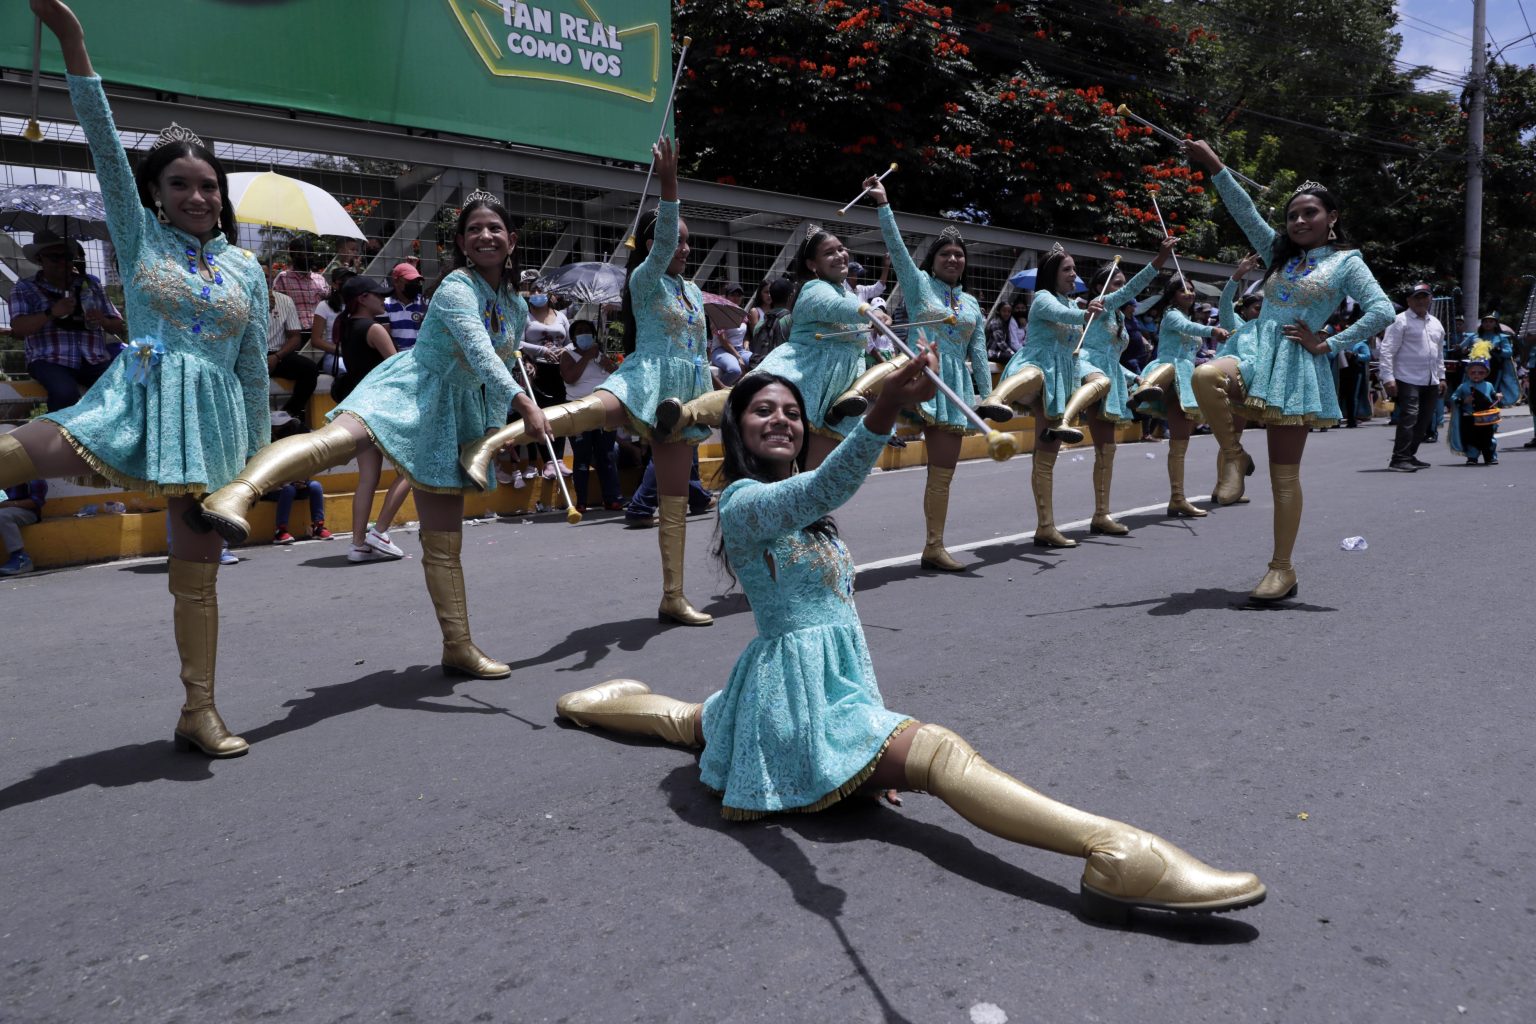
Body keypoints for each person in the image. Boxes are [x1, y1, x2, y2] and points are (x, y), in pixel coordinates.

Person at [552, 357, 1266, 922]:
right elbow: (821, 489)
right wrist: (886, 408)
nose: (781, 421)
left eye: (792, 413)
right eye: (763, 411)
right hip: (790, 698)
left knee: (697, 723)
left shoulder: (808, 516)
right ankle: (1115, 851)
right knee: (938, 752)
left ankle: (601, 702)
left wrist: (865, 734)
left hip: (808, 691)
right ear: (736, 431)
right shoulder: (745, 503)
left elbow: (843, 625)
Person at [2, 0, 270, 758]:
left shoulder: (245, 267)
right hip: (136, 395)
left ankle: (200, 712)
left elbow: (251, 366)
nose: (197, 196)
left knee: (199, 570)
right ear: (155, 193)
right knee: (23, 450)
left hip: (213, 420)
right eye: (181, 184)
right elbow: (102, 140)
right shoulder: (136, 229)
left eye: (209, 186)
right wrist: (72, 40)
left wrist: (250, 466)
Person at [195, 189, 550, 682]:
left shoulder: (511, 303)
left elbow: (503, 360)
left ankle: (459, 646)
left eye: (494, 228)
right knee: (335, 442)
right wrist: (525, 403)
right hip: (412, 388)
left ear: (511, 240)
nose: (485, 236)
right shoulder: (455, 289)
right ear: (462, 243)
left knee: (445, 544)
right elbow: (481, 352)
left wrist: (489, 433)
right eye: (473, 229)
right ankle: (238, 494)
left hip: (456, 417)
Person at [458, 138, 720, 626]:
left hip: (686, 391)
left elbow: (698, 345)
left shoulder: (693, 291)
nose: (682, 247)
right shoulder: (645, 278)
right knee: (579, 416)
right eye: (675, 239)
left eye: (688, 241)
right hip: (647, 376)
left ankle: (673, 595)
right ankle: (493, 443)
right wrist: (669, 182)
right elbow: (662, 243)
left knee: (675, 499)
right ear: (651, 244)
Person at [1182, 139, 1394, 601]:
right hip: (1254, 347)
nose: (1298, 221)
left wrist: (1328, 342)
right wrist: (1215, 164)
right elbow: (1243, 211)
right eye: (1292, 214)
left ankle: (1282, 569)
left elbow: (1382, 311)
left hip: (1297, 365)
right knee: (1204, 377)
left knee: (1285, 476)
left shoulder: (1346, 263)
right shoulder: (1277, 251)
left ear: (1331, 217)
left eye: (1309, 213)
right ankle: (1235, 456)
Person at [837, 175, 994, 569]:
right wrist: (883, 204)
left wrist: (987, 398)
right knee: (853, 459)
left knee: (943, 473)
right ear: (933, 261)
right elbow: (897, 248)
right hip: (916, 371)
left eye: (959, 254)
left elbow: (979, 351)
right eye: (946, 254)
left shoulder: (973, 303)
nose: (954, 259)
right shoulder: (918, 282)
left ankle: (934, 546)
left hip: (953, 387)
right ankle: (851, 398)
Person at [975, 244, 1102, 548]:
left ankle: (1045, 527)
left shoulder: (1073, 304)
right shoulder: (1043, 299)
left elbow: (1106, 301)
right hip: (1035, 366)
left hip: (1058, 383)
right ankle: (994, 400)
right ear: (1051, 274)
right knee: (1036, 375)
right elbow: (1062, 314)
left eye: (1074, 269)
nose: (1074, 275)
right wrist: (1086, 312)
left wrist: (1157, 262)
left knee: (1046, 457)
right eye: (1067, 269)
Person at [745, 224, 892, 469]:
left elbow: (856, 338)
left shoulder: (845, 293)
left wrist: (876, 318)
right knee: (786, 472)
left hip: (835, 392)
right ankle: (691, 412)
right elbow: (836, 308)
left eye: (841, 249)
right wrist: (872, 312)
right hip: (805, 380)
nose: (840, 255)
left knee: (819, 475)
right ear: (812, 264)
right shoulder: (814, 289)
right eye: (829, 253)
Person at [1067, 241, 1178, 528]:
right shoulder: (1101, 306)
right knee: (1097, 443)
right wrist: (1160, 259)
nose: (1123, 287)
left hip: (1111, 377)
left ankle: (1101, 514)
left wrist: (1134, 377)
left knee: (1107, 448)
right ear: (1100, 288)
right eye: (1116, 283)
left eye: (1122, 283)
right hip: (1087, 370)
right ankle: (1065, 421)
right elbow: (1130, 292)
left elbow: (1112, 359)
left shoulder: (1117, 315)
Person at [1134, 273, 1230, 519]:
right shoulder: (1171, 314)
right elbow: (1188, 328)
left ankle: (1177, 498)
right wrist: (1212, 329)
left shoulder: (1186, 315)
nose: (1189, 293)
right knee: (1179, 439)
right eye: (1182, 290)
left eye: (1190, 289)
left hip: (1187, 378)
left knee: (1181, 440)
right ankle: (1141, 391)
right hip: (1170, 373)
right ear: (1172, 295)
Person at [7, 230, 125, 411]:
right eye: (55, 258)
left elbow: (118, 324)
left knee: (121, 392)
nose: (63, 262)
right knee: (64, 393)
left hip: (93, 357)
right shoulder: (25, 288)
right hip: (50, 359)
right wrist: (51, 312)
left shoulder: (90, 284)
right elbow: (19, 327)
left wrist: (103, 320)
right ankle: (61, 438)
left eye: (67, 256)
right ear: (40, 259)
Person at [1377, 283, 1446, 473]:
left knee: (1424, 421)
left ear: (1431, 298)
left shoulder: (1436, 323)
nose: (1422, 301)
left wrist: (1441, 377)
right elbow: (1387, 350)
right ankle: (1398, 459)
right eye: (1417, 297)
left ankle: (1409, 455)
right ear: (1409, 301)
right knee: (1410, 417)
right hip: (1407, 378)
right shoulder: (1400, 321)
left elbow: (1438, 353)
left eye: (1425, 296)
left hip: (1430, 379)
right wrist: (1388, 378)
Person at [562, 318, 623, 512]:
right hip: (579, 411)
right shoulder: (568, 355)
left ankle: (612, 498)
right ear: (573, 337)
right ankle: (581, 501)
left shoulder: (600, 355)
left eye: (587, 331)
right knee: (582, 457)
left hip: (603, 410)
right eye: (579, 331)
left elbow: (616, 375)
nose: (584, 334)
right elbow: (570, 378)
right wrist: (586, 357)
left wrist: (603, 361)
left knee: (607, 455)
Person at [264, 269, 320, 424]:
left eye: (265, 276)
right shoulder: (240, 300)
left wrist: (276, 357)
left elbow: (295, 337)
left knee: (310, 369)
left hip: (277, 353)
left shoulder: (284, 301)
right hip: (250, 355)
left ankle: (288, 415)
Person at [1447, 342, 1506, 465]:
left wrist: (1498, 396)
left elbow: (1493, 395)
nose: (1476, 375)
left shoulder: (1489, 385)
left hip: (1486, 418)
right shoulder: (1463, 386)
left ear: (1486, 373)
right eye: (1473, 372)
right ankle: (1472, 457)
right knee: (1471, 439)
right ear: (1468, 373)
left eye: (1480, 372)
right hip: (1469, 417)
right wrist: (1463, 401)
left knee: (1488, 438)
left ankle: (1490, 456)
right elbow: (1453, 398)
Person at [272, 235, 327, 337]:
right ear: (293, 256)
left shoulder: (320, 279)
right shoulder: (283, 278)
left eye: (309, 254)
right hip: (295, 334)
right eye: (301, 254)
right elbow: (276, 307)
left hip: (319, 333)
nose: (306, 258)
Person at [0, 475, 46, 576]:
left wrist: (7, 504)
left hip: (26, 511)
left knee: (2, 516)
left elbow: (37, 501)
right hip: (4, 509)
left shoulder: (29, 474)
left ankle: (21, 559)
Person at [268, 478, 329, 544]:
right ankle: (280, 532)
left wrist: (302, 482)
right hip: (276, 488)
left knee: (316, 486)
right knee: (289, 489)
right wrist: (287, 483)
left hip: (296, 487)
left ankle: (318, 528)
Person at [749, 277, 793, 367]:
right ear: (790, 297)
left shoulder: (760, 324)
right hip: (781, 370)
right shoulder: (791, 321)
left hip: (762, 369)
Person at [383, 262, 427, 352]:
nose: (414, 285)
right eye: (410, 281)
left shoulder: (425, 304)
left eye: (417, 281)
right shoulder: (385, 304)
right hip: (396, 356)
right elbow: (386, 337)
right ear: (396, 281)